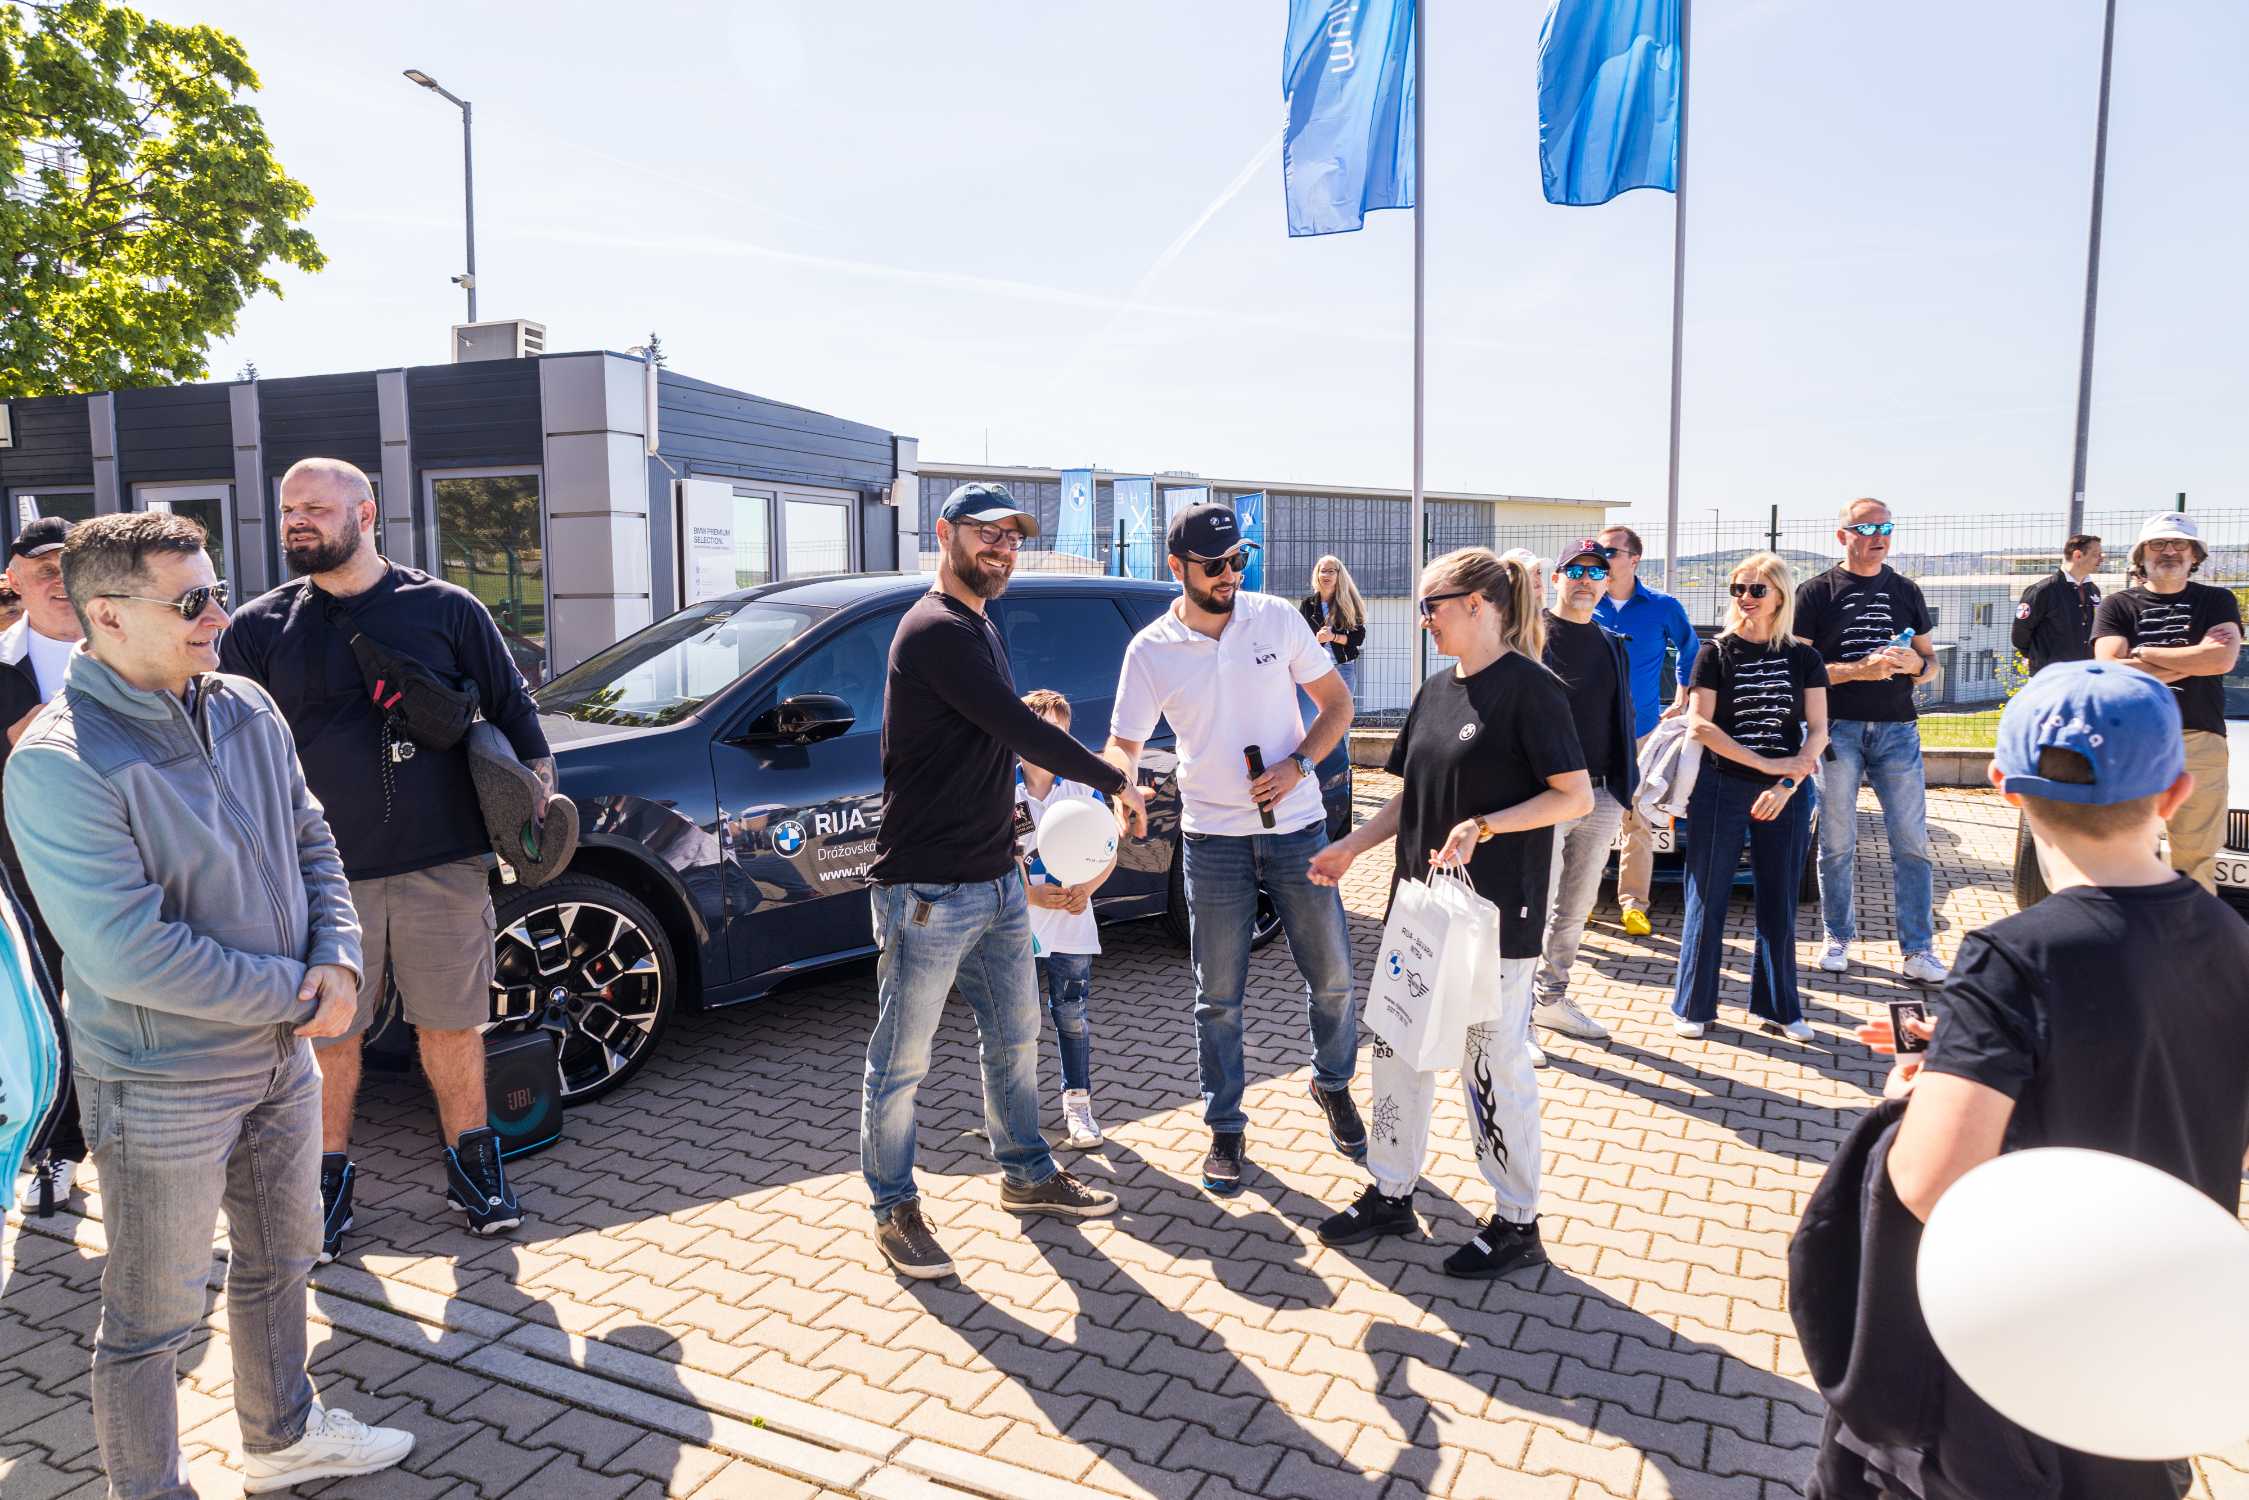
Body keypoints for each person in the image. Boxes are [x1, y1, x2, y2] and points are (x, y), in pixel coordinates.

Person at [5, 513, 413, 1496]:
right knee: (151, 1318)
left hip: (281, 1056)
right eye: (190, 601)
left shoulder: (243, 704)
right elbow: (128, 952)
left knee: (284, 1259)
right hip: (162, 1081)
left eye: (216, 591)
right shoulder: (57, 762)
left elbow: (310, 837)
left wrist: (339, 959)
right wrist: (298, 995)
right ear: (107, 615)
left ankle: (283, 1438)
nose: (219, 617)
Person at [1820, 661, 2249, 1499]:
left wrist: (1913, 1093)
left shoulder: (2010, 957)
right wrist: (1967, 1050)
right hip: (2145, 1346)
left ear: (2003, 788)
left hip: (2011, 1361)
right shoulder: (2233, 942)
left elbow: (1930, 1180)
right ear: (2174, 792)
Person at [219, 458, 553, 1259]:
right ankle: (324, 1181)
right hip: (322, 875)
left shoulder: (445, 608)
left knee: (452, 1025)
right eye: (288, 509)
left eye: (315, 508)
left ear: (365, 514)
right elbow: (229, 751)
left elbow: (515, 714)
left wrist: (536, 807)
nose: (297, 521)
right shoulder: (259, 628)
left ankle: (475, 1169)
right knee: (329, 1034)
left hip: (443, 862)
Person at [862, 484, 1147, 1280]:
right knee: (901, 1063)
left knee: (1016, 1039)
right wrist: (1114, 779)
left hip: (994, 881)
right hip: (927, 891)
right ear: (945, 535)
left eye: (1013, 538)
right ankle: (892, 1208)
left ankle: (1025, 1173)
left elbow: (996, 747)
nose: (1001, 548)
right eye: (987, 533)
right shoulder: (934, 630)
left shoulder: (980, 624)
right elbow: (1018, 728)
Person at [1306, 548, 1590, 1276]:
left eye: (1431, 605)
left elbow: (1574, 796)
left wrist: (1485, 826)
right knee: (1397, 1050)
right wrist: (1350, 847)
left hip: (1493, 918)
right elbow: (1410, 797)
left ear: (1478, 605)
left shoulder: (1532, 690)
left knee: (1488, 1065)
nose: (1423, 618)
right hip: (1420, 911)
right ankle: (1391, 1191)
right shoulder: (1436, 690)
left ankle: (1517, 1221)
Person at [1103, 501, 1362, 1197]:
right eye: (1214, 564)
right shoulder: (1150, 649)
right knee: (1216, 997)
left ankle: (1333, 1083)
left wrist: (1299, 766)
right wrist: (1120, 785)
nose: (1229, 573)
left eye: (1238, 559)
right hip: (1212, 840)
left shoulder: (1275, 619)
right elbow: (1123, 743)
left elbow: (1337, 706)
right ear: (1176, 567)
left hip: (1297, 830)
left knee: (1333, 977)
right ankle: (1224, 1126)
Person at [1673, 552, 1829, 1041]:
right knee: (1707, 896)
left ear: (1779, 596)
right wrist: (1766, 766)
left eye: (1757, 589)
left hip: (1786, 794)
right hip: (1721, 787)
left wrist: (1786, 783)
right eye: (1738, 588)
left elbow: (1819, 731)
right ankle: (1693, 1006)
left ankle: (1781, 1008)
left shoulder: (1803, 658)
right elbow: (1700, 725)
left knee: (1779, 899)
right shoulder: (1714, 653)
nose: (1745, 597)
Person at [1795, 498, 1946, 984]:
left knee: (1912, 843)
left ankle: (1918, 950)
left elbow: (1931, 662)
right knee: (1837, 843)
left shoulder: (1906, 590)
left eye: (1885, 527)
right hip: (1836, 730)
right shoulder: (1815, 592)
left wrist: (1916, 666)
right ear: (1843, 536)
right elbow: (1802, 673)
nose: (1878, 536)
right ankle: (1837, 936)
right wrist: (1861, 669)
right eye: (1866, 528)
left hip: (1898, 730)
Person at [0, 515, 87, 1209]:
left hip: (122, 864)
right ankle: (57, 1149)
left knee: (119, 1007)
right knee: (42, 1012)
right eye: (42, 570)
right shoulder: (1, 664)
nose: (58, 582)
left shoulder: (129, 647)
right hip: (22, 867)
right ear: (15, 578)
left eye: (69, 567)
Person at [2091, 512, 2242, 893]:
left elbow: (2221, 660)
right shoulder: (2117, 605)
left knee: (2196, 856)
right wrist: (2193, 660)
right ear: (2142, 555)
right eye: (2158, 544)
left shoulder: (2217, 600)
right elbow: (2108, 670)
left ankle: (2189, 931)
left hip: (2200, 740)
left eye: (2179, 544)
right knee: (2126, 847)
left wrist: (2143, 654)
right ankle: (2131, 928)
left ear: (2195, 555)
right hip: (2134, 739)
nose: (2169, 551)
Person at [1530, 540, 1640, 1057]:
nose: (1585, 580)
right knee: (1531, 907)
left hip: (1600, 795)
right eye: (1575, 571)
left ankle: (1550, 999)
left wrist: (1625, 786)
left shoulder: (1612, 642)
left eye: (1597, 573)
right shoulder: (1529, 635)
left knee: (1574, 908)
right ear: (1556, 578)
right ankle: (1515, 1019)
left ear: (1607, 584)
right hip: (1545, 795)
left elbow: (1622, 715)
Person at [1015, 688, 1120, 1151]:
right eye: (1040, 732)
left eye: (1060, 734)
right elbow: (994, 857)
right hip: (1017, 927)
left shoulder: (1082, 787)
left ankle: (1078, 1107)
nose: (1050, 743)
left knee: (1072, 1016)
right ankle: (1016, 1117)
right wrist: (1030, 894)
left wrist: (1087, 889)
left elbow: (1108, 850)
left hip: (1072, 928)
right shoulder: (1001, 790)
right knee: (1015, 1024)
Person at [1589, 525, 1699, 937]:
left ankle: (1633, 904)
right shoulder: (1587, 601)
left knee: (1637, 821)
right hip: (1591, 731)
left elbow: (1690, 648)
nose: (1602, 559)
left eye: (1610, 552)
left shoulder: (1662, 606)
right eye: (1598, 552)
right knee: (1584, 818)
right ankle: (1581, 901)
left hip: (1643, 733)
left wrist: (1683, 694)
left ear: (1634, 559)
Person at [2010, 533, 2103, 677]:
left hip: (2084, 674)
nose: (2102, 559)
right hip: (2050, 677)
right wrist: (2038, 658)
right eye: (2096, 555)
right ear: (2078, 555)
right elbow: (2020, 632)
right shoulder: (2043, 591)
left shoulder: (2093, 590)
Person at [1300, 554, 1367, 700]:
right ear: (1317, 574)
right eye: (1323, 571)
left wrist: (1333, 637)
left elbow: (1358, 638)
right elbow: (1300, 637)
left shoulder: (1350, 603)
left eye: (1331, 571)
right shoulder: (1308, 604)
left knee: (1341, 713)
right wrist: (1316, 640)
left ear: (1339, 575)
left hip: (1343, 669)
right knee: (1311, 713)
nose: (1326, 575)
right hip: (1315, 669)